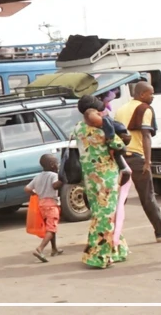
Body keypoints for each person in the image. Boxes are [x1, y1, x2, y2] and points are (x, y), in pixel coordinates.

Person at [114, 82, 161, 243]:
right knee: (148, 197)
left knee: (119, 199)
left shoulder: (121, 109)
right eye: (151, 93)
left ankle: (111, 234)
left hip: (120, 159)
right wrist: (148, 161)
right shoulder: (145, 109)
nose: (153, 97)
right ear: (142, 94)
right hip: (137, 158)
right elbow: (146, 135)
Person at [71, 95, 130, 269]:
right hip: (105, 178)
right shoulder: (101, 129)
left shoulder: (78, 128)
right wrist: (111, 130)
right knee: (105, 215)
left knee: (103, 213)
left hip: (89, 178)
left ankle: (117, 249)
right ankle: (98, 256)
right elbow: (119, 146)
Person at [25, 154, 63, 262]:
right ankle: (39, 249)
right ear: (52, 165)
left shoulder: (38, 176)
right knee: (51, 228)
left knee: (50, 227)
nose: (57, 165)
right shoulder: (53, 175)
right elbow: (55, 185)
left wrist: (34, 193)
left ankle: (54, 248)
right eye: (56, 163)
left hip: (42, 205)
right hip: (51, 205)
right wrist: (63, 180)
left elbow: (27, 189)